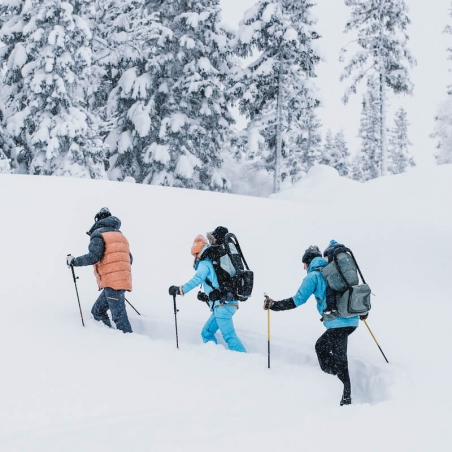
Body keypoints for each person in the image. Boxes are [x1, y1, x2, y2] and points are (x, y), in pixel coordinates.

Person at [263, 245, 360, 406]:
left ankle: (344, 395)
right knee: (323, 347)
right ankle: (336, 382)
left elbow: (297, 300)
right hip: (352, 319)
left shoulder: (313, 276)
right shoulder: (334, 270)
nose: (303, 267)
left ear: (309, 261)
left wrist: (274, 305)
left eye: (304, 264)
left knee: (336, 356)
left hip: (338, 323)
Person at [168, 232, 246, 353]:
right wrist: (207, 297)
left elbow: (197, 279)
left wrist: (180, 289)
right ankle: (214, 355)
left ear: (198, 251)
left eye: (195, 254)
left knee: (229, 336)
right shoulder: (213, 261)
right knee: (206, 333)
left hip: (223, 305)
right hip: (226, 302)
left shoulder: (205, 263)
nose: (195, 257)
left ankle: (244, 360)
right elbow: (216, 284)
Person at [66, 207, 133, 333]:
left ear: (98, 220)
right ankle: (107, 336)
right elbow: (129, 258)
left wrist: (74, 261)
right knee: (97, 311)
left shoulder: (99, 234)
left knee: (119, 318)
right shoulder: (120, 236)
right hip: (120, 281)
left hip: (112, 282)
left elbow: (94, 256)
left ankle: (131, 344)